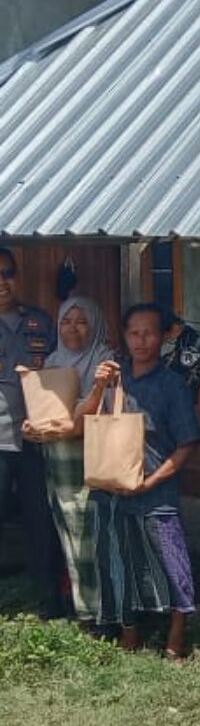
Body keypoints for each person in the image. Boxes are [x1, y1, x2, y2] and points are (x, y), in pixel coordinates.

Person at [86, 303, 200, 657]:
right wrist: (98, 387)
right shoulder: (113, 377)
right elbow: (83, 421)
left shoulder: (172, 385)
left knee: (172, 562)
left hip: (157, 492)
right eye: (134, 333)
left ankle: (176, 637)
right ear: (124, 336)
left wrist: (152, 482)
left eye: (149, 333)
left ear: (164, 336)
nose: (141, 340)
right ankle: (129, 632)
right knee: (119, 561)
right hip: (113, 489)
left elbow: (186, 444)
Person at [22, 297, 114, 624]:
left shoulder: (106, 360)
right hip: (56, 461)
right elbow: (45, 412)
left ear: (96, 325)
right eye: (66, 321)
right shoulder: (53, 360)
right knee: (67, 534)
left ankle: (101, 612)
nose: (72, 328)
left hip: (90, 458)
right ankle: (80, 605)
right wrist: (33, 427)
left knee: (91, 536)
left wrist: (68, 423)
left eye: (82, 321)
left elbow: (105, 412)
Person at [0, 246, 62, 618]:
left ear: (17, 276)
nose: (2, 282)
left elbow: (57, 371)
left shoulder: (39, 321)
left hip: (36, 440)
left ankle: (48, 600)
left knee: (41, 519)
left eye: (7, 273)